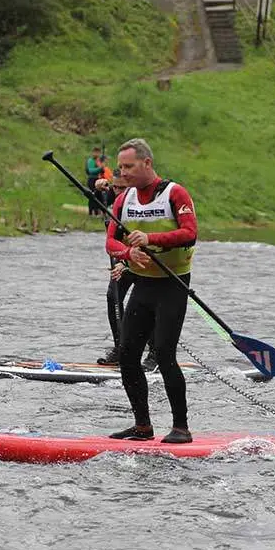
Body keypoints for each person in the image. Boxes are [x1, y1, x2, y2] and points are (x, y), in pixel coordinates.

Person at [104, 138, 197, 444]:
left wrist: (150, 239)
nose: (123, 172)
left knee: (165, 354)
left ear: (147, 163)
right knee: (128, 355)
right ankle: (142, 426)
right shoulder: (123, 199)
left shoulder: (175, 193)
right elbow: (111, 243)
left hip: (173, 283)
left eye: (128, 166)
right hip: (143, 285)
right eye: (120, 167)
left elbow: (190, 233)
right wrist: (128, 253)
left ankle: (181, 428)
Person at [94, 171, 158, 371]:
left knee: (147, 303)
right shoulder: (116, 198)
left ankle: (155, 353)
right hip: (124, 257)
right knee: (113, 296)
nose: (118, 192)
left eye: (123, 188)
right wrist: (97, 188)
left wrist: (127, 262)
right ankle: (120, 347)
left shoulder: (144, 203)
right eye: (115, 187)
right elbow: (97, 201)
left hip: (147, 259)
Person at [85, 147, 105, 216]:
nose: (97, 154)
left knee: (99, 196)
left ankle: (99, 212)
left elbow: (103, 171)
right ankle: (91, 212)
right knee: (92, 195)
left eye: (98, 152)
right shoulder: (91, 161)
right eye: (95, 152)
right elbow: (91, 171)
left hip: (97, 179)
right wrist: (100, 168)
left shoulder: (98, 161)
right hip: (92, 180)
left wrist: (102, 168)